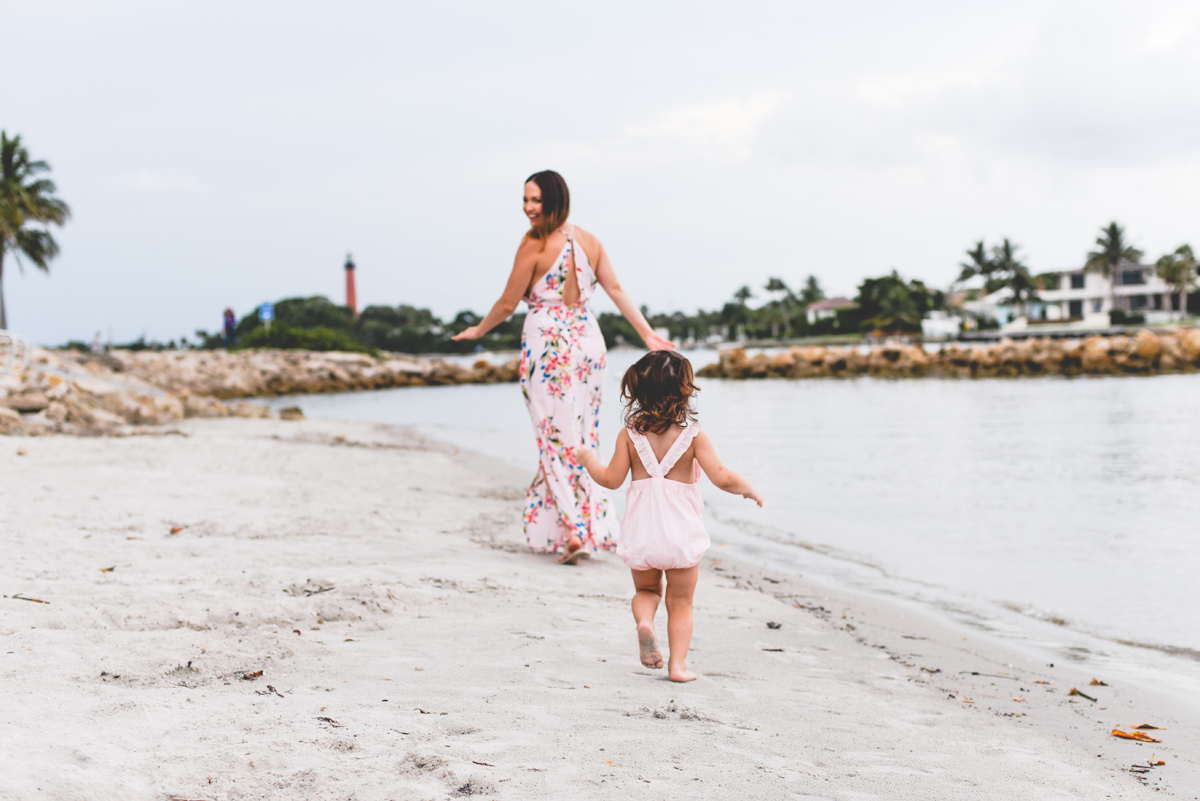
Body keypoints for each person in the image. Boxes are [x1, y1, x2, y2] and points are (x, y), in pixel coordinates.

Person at [452, 170, 673, 563]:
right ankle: (587, 525)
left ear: (555, 199)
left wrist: (478, 330)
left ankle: (575, 531)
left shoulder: (533, 244)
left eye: (535, 200)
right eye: (525, 200)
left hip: (549, 343)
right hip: (588, 340)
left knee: (554, 437)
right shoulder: (589, 240)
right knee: (584, 437)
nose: (528, 208)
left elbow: (507, 303)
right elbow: (616, 290)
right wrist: (647, 333)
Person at [579, 350, 762, 682]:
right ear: (684, 390)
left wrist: (588, 458)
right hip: (681, 536)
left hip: (641, 533)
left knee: (647, 592)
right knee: (680, 603)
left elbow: (610, 479)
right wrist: (747, 487)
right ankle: (677, 667)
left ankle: (645, 622)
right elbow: (722, 477)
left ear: (636, 391)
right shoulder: (693, 435)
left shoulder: (629, 436)